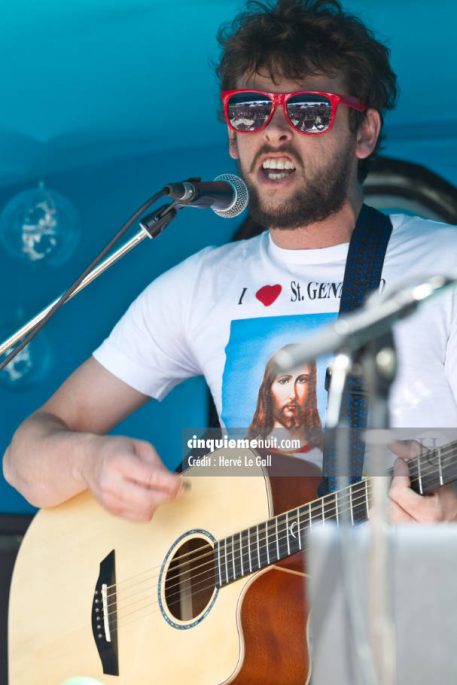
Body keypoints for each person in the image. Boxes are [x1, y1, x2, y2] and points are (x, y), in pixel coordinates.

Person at [3, 0, 457, 525]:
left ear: (365, 133)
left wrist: (447, 507)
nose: (275, 130)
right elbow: (25, 459)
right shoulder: (198, 286)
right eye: (250, 110)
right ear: (232, 136)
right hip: (262, 606)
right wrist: (90, 462)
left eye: (310, 111)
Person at [247, 345, 323, 465]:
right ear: (268, 390)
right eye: (283, 381)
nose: (293, 394)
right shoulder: (247, 455)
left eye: (302, 380)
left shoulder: (326, 457)